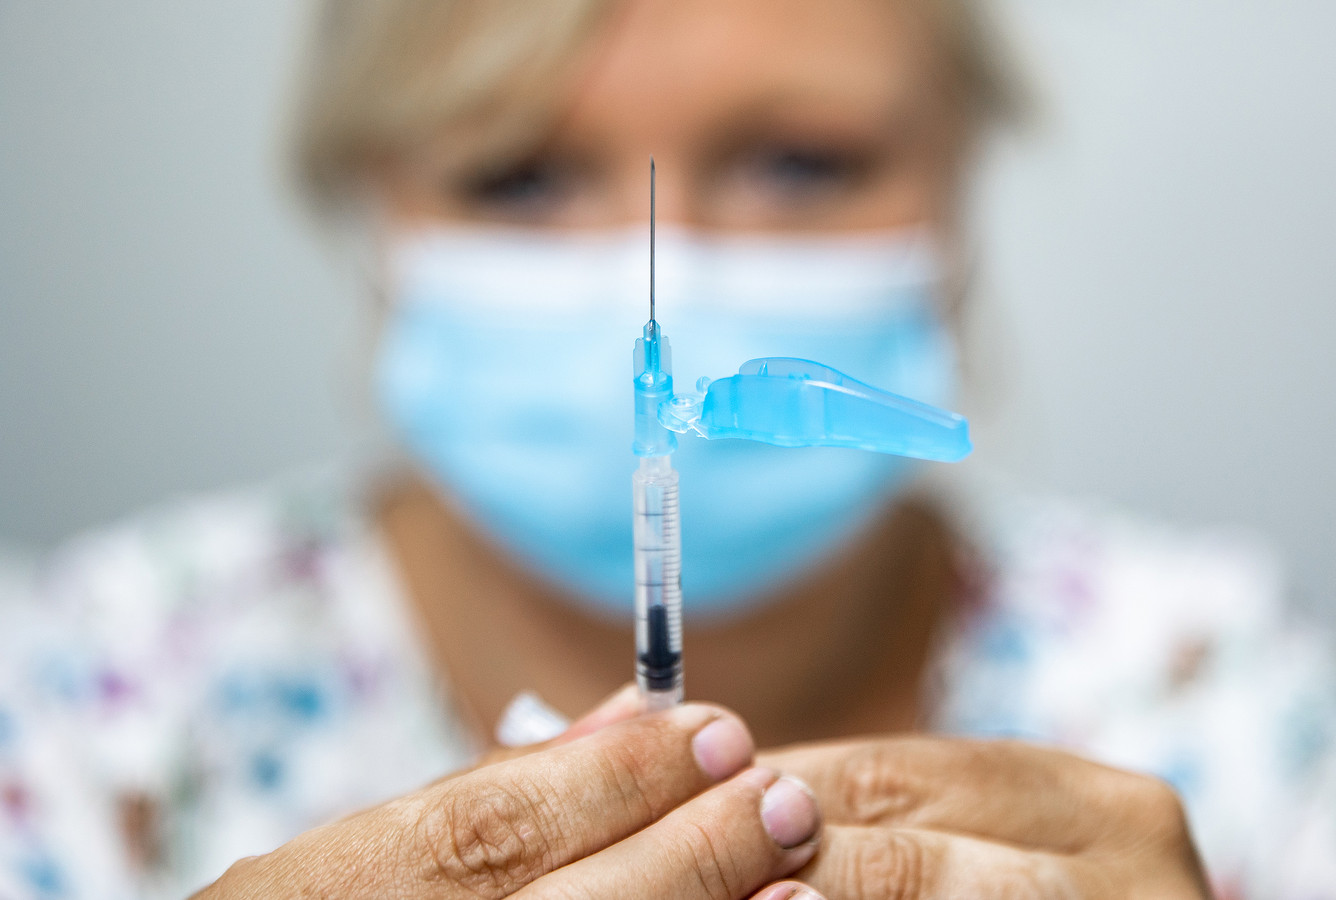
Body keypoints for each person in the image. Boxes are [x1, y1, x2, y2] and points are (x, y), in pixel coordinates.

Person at [1, 0, 1332, 898]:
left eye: (800, 165)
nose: (670, 270)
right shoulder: (78, 711)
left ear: (961, 177)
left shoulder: (1223, 706)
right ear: (371, 214)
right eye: (519, 174)